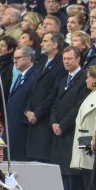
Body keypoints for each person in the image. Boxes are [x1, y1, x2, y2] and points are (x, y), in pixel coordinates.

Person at [50, 47, 89, 190]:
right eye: (64, 59)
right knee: (62, 172)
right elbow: (55, 103)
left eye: (70, 59)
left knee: (73, 173)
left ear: (78, 59)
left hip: (72, 132)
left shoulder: (83, 79)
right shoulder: (63, 79)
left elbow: (78, 107)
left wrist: (63, 125)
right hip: (59, 131)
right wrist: (53, 122)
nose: (66, 61)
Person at [25, 32, 66, 162]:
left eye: (45, 41)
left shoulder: (60, 64)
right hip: (34, 118)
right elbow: (34, 89)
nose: (41, 44)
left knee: (42, 160)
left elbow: (54, 93)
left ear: (55, 45)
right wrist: (27, 110)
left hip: (45, 119)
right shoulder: (42, 61)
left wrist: (37, 113)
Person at [6, 46, 39, 160]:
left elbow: (32, 98)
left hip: (22, 127)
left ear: (29, 58)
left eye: (18, 58)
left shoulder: (35, 75)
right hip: (13, 125)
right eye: (14, 58)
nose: (15, 61)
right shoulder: (21, 75)